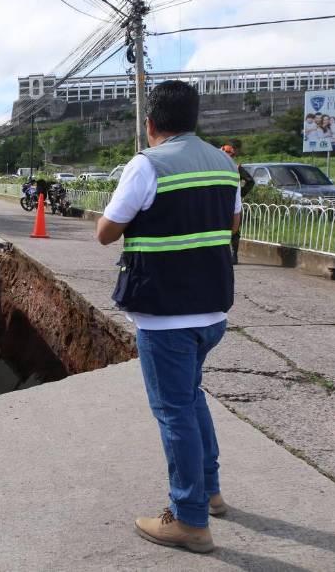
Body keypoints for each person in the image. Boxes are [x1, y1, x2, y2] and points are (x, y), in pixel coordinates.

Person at [96, 81, 242, 554]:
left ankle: (189, 519)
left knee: (174, 411)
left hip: (165, 316)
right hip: (213, 311)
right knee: (191, 399)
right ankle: (210, 492)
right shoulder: (224, 163)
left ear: (151, 123)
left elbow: (105, 232)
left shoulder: (147, 164)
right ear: (195, 119)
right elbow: (233, 223)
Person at [221, 145, 255, 265]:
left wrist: (241, 194)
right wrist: (241, 194)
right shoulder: (236, 168)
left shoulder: (220, 167)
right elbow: (250, 182)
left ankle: (229, 255)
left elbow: (251, 182)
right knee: (233, 231)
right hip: (234, 203)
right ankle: (233, 256)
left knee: (225, 229)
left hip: (224, 203)